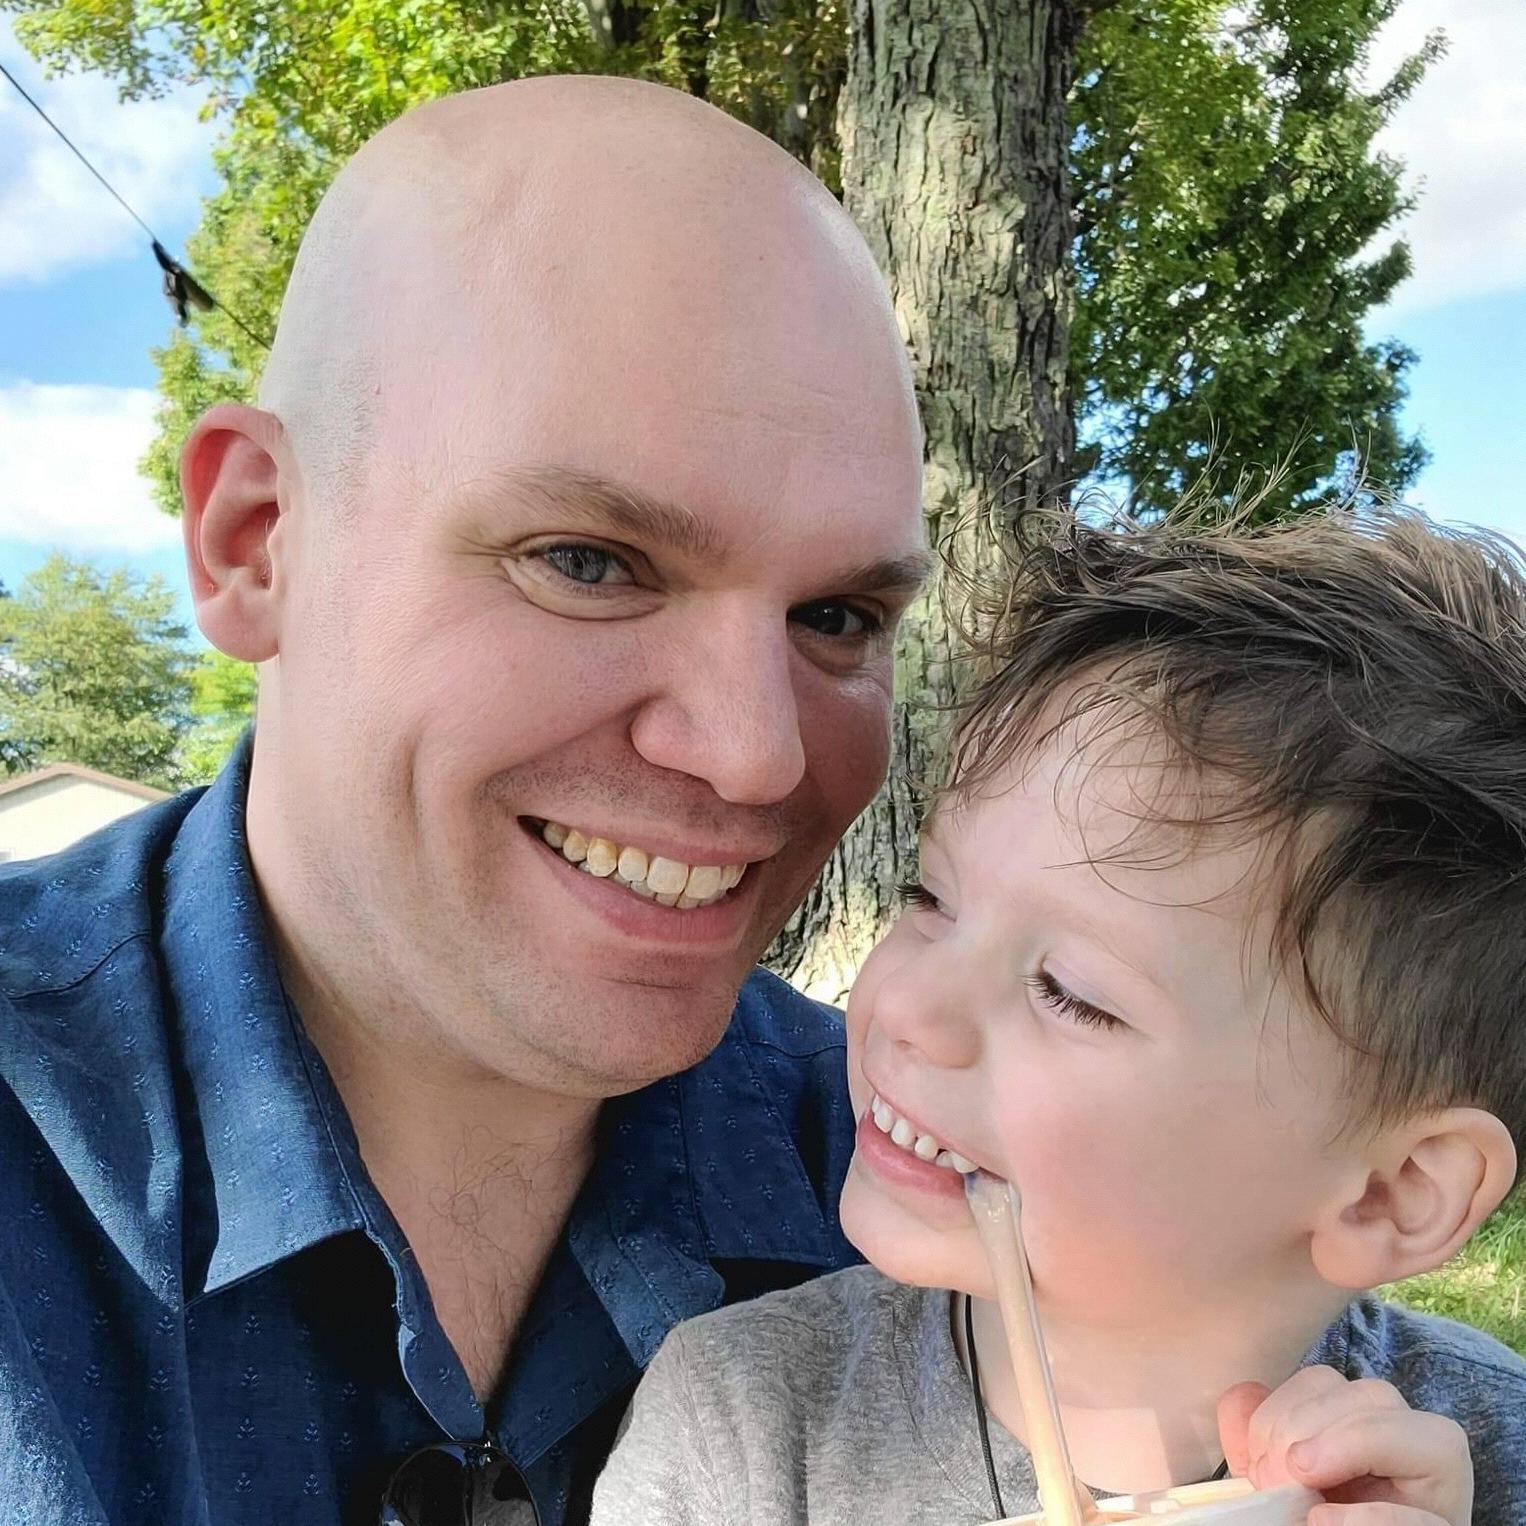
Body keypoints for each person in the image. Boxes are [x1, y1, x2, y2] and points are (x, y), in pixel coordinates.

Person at [0, 76, 931, 1525]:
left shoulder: (929, 1181)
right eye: (589, 562)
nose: (754, 755)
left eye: (835, 617)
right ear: (257, 541)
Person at [590, 508, 1526, 1526]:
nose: (906, 1004)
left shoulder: (1489, 1449)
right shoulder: (743, 1431)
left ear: (1392, 1193)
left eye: (1069, 992)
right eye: (931, 899)